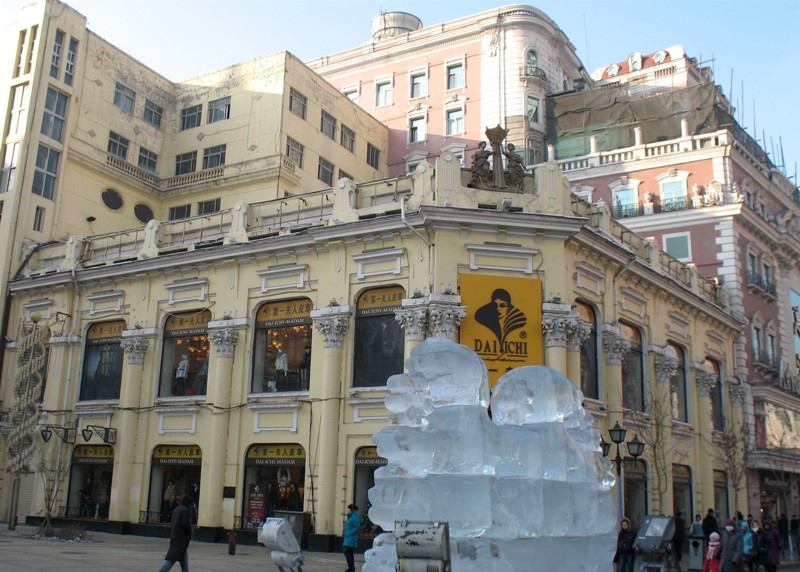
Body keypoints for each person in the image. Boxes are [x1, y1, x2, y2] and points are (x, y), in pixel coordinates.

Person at [159, 493, 193, 572]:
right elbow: (185, 524)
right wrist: (190, 531)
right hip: (181, 538)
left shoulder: (177, 508)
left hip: (175, 536)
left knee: (184, 557)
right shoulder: (185, 510)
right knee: (172, 559)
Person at [343, 503, 359, 572]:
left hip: (351, 538)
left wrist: (350, 533)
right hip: (348, 537)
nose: (347, 510)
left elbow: (357, 527)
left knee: (346, 552)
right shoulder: (350, 517)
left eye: (348, 509)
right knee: (349, 552)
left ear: (351, 510)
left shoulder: (354, 517)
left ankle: (351, 568)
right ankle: (351, 568)